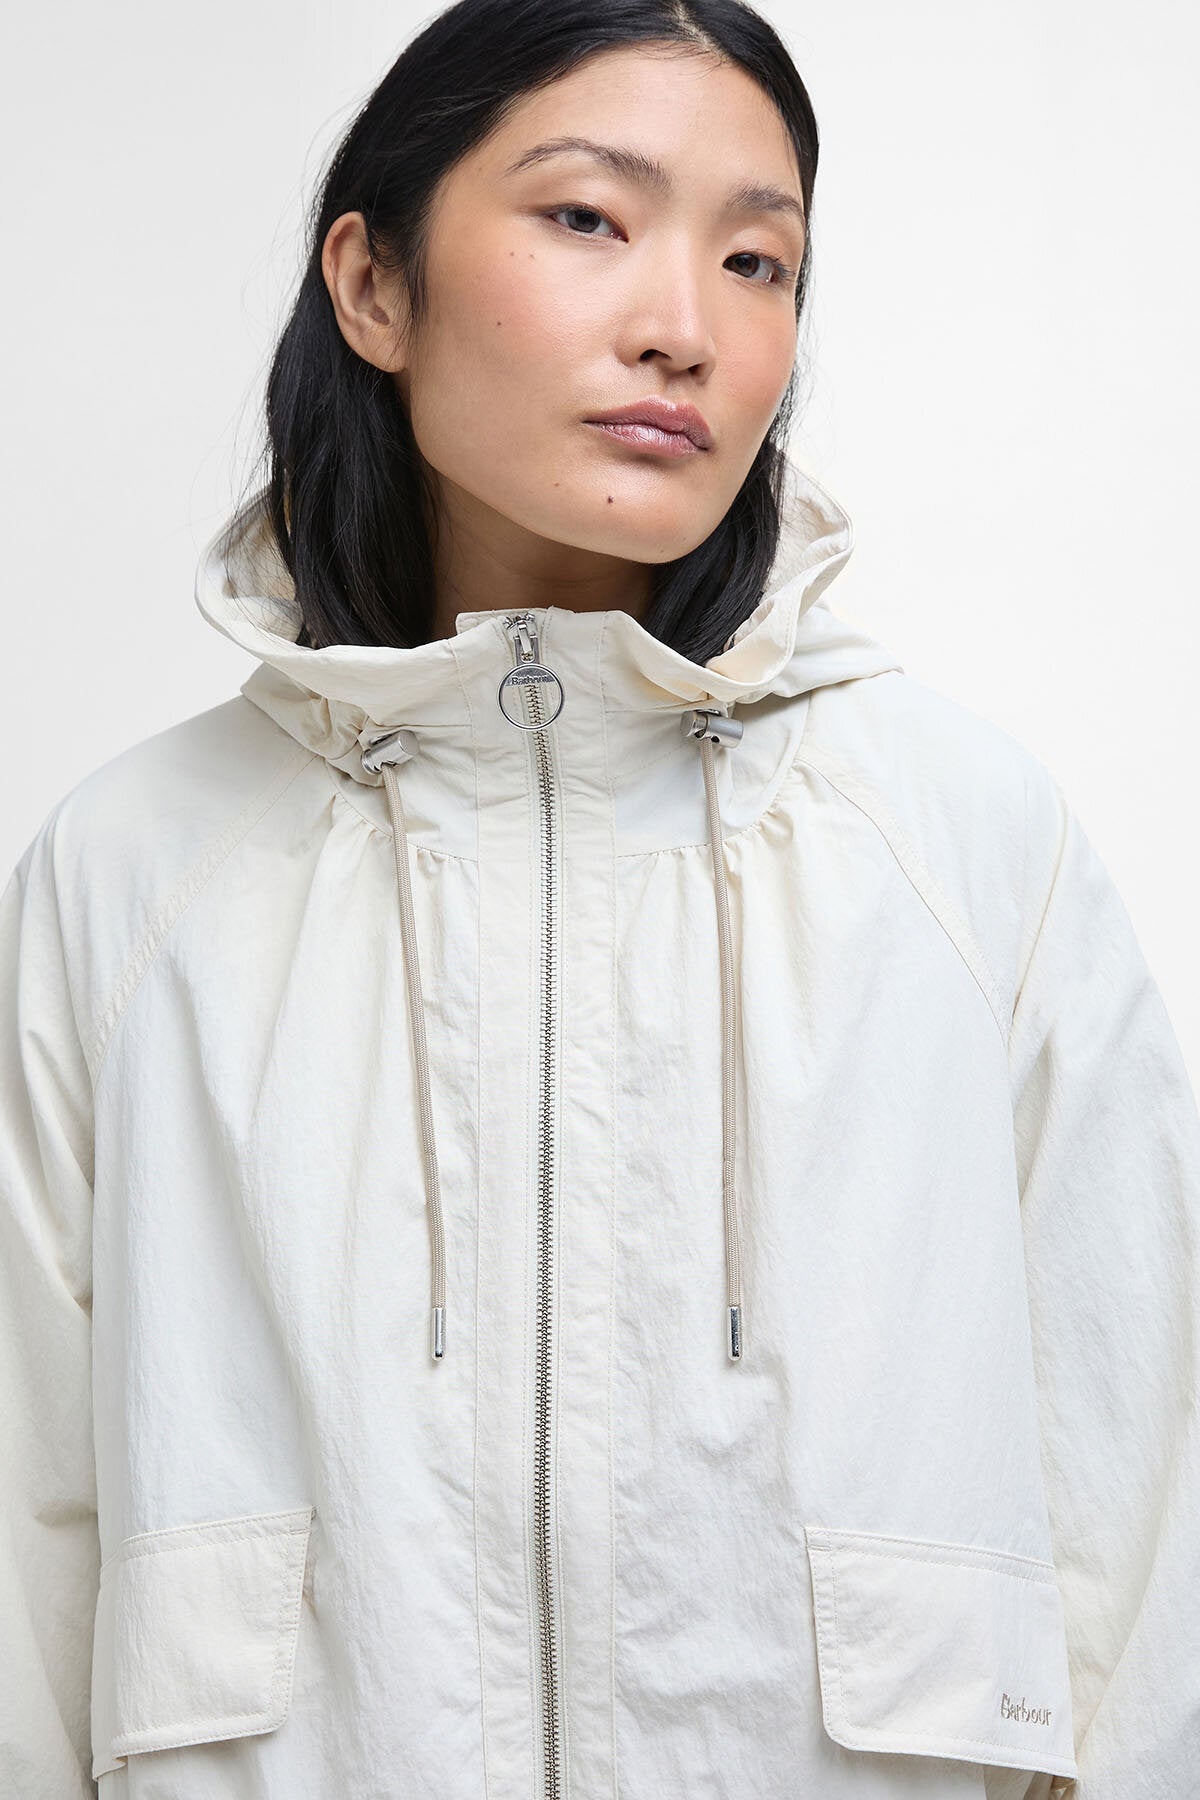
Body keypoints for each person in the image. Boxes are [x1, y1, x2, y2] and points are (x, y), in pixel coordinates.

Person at [2, 1, 1198, 1795]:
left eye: (756, 260)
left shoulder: (965, 846)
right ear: (374, 285)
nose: (685, 326)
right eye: (588, 217)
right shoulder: (134, 875)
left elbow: (1150, 1546)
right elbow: (26, 1564)